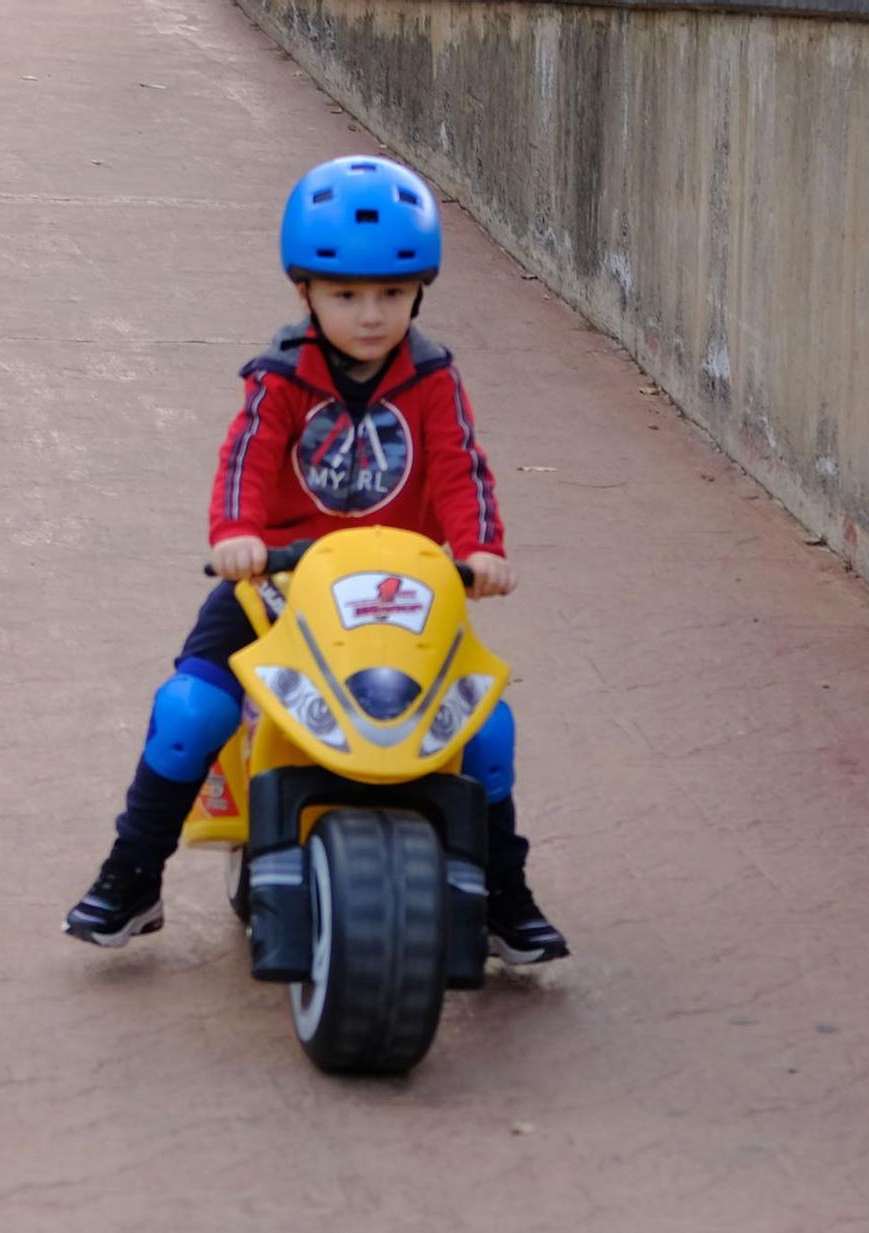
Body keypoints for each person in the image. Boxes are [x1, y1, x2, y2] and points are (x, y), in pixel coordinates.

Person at [62, 156, 568, 965]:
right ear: (304, 291)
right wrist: (239, 533)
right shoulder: (281, 376)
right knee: (192, 710)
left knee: (485, 727)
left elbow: (458, 464)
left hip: (400, 591)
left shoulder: (433, 377)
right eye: (346, 295)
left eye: (392, 295)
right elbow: (247, 458)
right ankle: (133, 874)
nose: (371, 315)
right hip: (275, 584)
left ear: (420, 293)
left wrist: (479, 549)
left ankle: (504, 893)